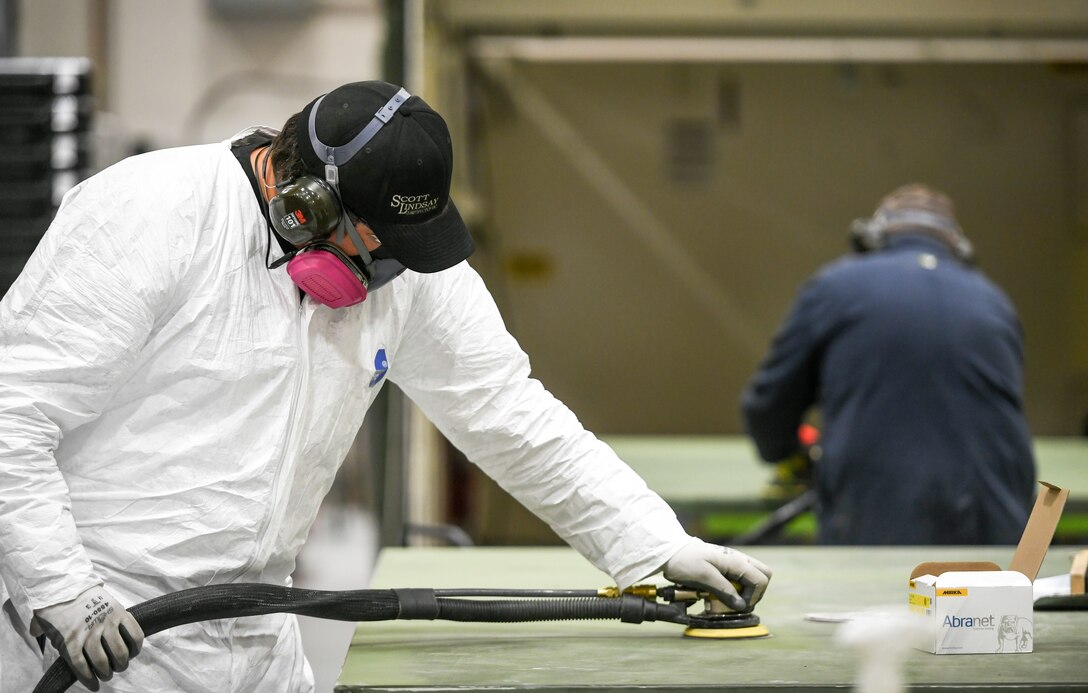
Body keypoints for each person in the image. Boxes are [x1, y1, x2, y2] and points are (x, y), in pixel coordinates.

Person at [0, 81, 771, 692]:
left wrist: (652, 543)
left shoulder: (404, 273)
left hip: (256, 633)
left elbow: (511, 416)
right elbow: (11, 413)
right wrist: (67, 591)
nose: (388, 276)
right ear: (305, 204)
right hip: (99, 639)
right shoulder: (150, 213)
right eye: (378, 247)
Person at [740, 184, 1036, 546]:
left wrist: (791, 456)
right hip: (997, 527)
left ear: (871, 237)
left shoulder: (835, 288)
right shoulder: (994, 301)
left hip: (873, 521)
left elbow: (768, 406)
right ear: (956, 245)